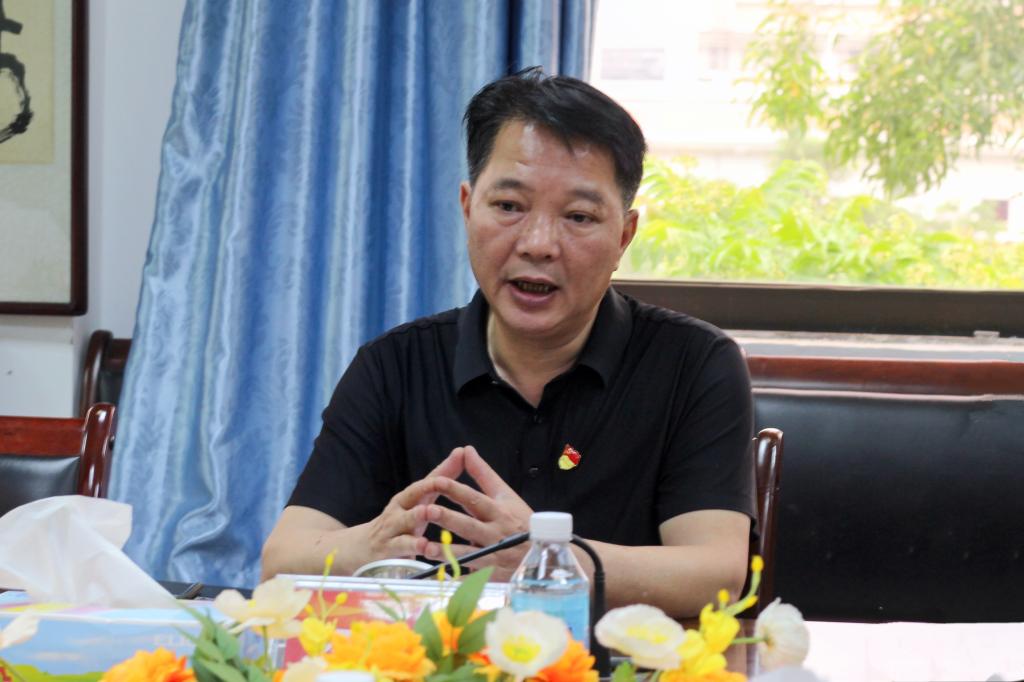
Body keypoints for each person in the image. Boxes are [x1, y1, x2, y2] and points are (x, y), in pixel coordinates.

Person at [261, 68, 754, 617]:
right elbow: (282, 560)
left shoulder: (694, 364)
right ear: (467, 206)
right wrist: (374, 545)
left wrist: (545, 558)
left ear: (624, 235)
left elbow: (716, 575)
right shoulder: (395, 366)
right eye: (509, 206)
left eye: (579, 216)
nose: (538, 244)